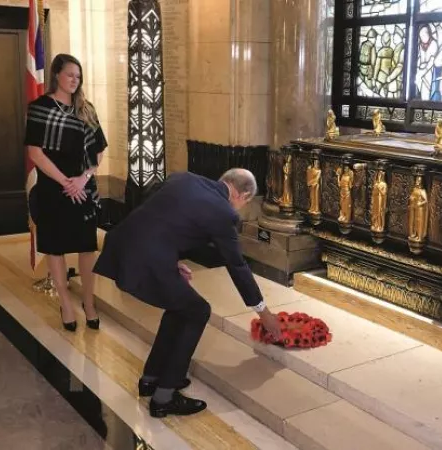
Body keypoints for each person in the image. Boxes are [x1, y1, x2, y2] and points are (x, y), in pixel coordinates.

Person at [93, 169, 283, 418]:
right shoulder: (223, 212)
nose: (240, 209)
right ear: (242, 194)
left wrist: (169, 259)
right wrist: (263, 313)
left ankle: (151, 379)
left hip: (123, 242)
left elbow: (157, 214)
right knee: (198, 310)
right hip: (146, 259)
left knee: (181, 306)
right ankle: (164, 397)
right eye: (245, 203)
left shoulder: (183, 178)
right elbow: (237, 266)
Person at [25, 54, 107, 332]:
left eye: (78, 76)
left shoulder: (87, 109)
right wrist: (65, 182)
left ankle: (88, 301)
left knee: (87, 247)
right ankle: (66, 304)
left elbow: (98, 154)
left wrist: (82, 179)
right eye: (70, 74)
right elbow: (35, 152)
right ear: (57, 74)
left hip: (83, 190)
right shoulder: (40, 108)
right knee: (55, 248)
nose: (75, 80)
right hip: (52, 190)